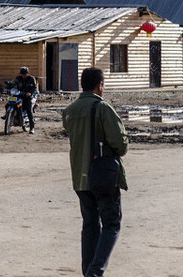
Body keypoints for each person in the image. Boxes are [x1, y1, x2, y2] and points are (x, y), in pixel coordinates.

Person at [61, 67, 128, 277]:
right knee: (111, 224)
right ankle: (95, 272)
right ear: (100, 85)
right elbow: (120, 145)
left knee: (90, 225)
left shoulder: (70, 111)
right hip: (103, 178)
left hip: (80, 178)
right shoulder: (103, 108)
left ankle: (87, 271)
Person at [12, 66, 39, 133]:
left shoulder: (31, 79)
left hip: (27, 96)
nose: (23, 75)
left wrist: (30, 93)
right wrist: (7, 87)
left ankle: (32, 128)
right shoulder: (18, 78)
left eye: (24, 74)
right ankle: (7, 114)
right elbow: (12, 83)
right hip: (19, 95)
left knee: (29, 111)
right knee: (10, 102)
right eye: (22, 74)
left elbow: (34, 88)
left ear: (27, 73)